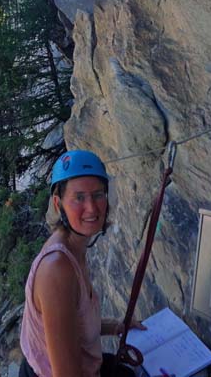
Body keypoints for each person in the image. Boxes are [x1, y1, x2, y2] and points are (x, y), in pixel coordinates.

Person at [19, 149, 144, 377]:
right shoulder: (56, 269)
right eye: (79, 197)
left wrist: (115, 326)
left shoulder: (74, 248)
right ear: (59, 204)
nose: (92, 208)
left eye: (98, 195)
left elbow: (74, 326)